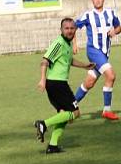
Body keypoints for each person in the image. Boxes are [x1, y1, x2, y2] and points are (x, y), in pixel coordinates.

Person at [33, 18, 96, 154]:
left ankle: (53, 146)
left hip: (59, 84)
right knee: (75, 113)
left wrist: (85, 66)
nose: (69, 31)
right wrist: (42, 79)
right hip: (56, 84)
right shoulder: (59, 43)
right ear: (61, 30)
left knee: (64, 115)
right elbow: (45, 61)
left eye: (72, 28)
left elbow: (69, 60)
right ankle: (43, 124)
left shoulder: (67, 44)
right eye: (66, 28)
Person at [73, 0, 121, 120]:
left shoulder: (111, 13)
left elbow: (118, 27)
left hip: (105, 54)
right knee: (111, 76)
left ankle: (70, 104)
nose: (98, 0)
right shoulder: (88, 15)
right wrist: (74, 44)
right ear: (92, 0)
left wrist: (114, 31)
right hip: (93, 51)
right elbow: (73, 26)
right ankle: (107, 110)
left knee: (89, 83)